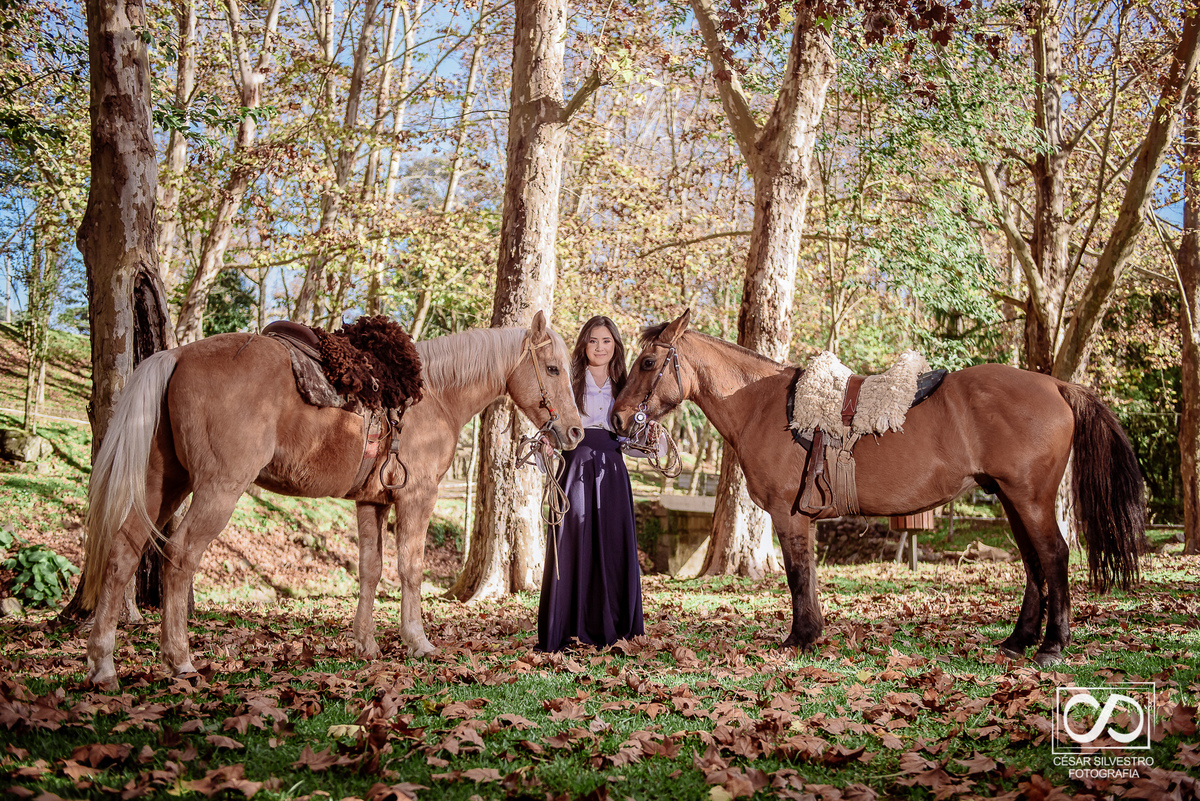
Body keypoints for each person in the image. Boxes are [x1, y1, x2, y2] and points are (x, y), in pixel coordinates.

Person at [537, 315, 650, 652]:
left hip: (613, 471)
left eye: (606, 341)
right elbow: (554, 428)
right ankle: (566, 629)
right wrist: (546, 442)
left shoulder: (626, 386)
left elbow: (634, 440)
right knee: (571, 541)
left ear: (615, 346)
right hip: (573, 467)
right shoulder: (569, 382)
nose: (600, 347)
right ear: (583, 345)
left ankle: (614, 629)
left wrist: (648, 436)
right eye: (593, 341)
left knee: (613, 544)